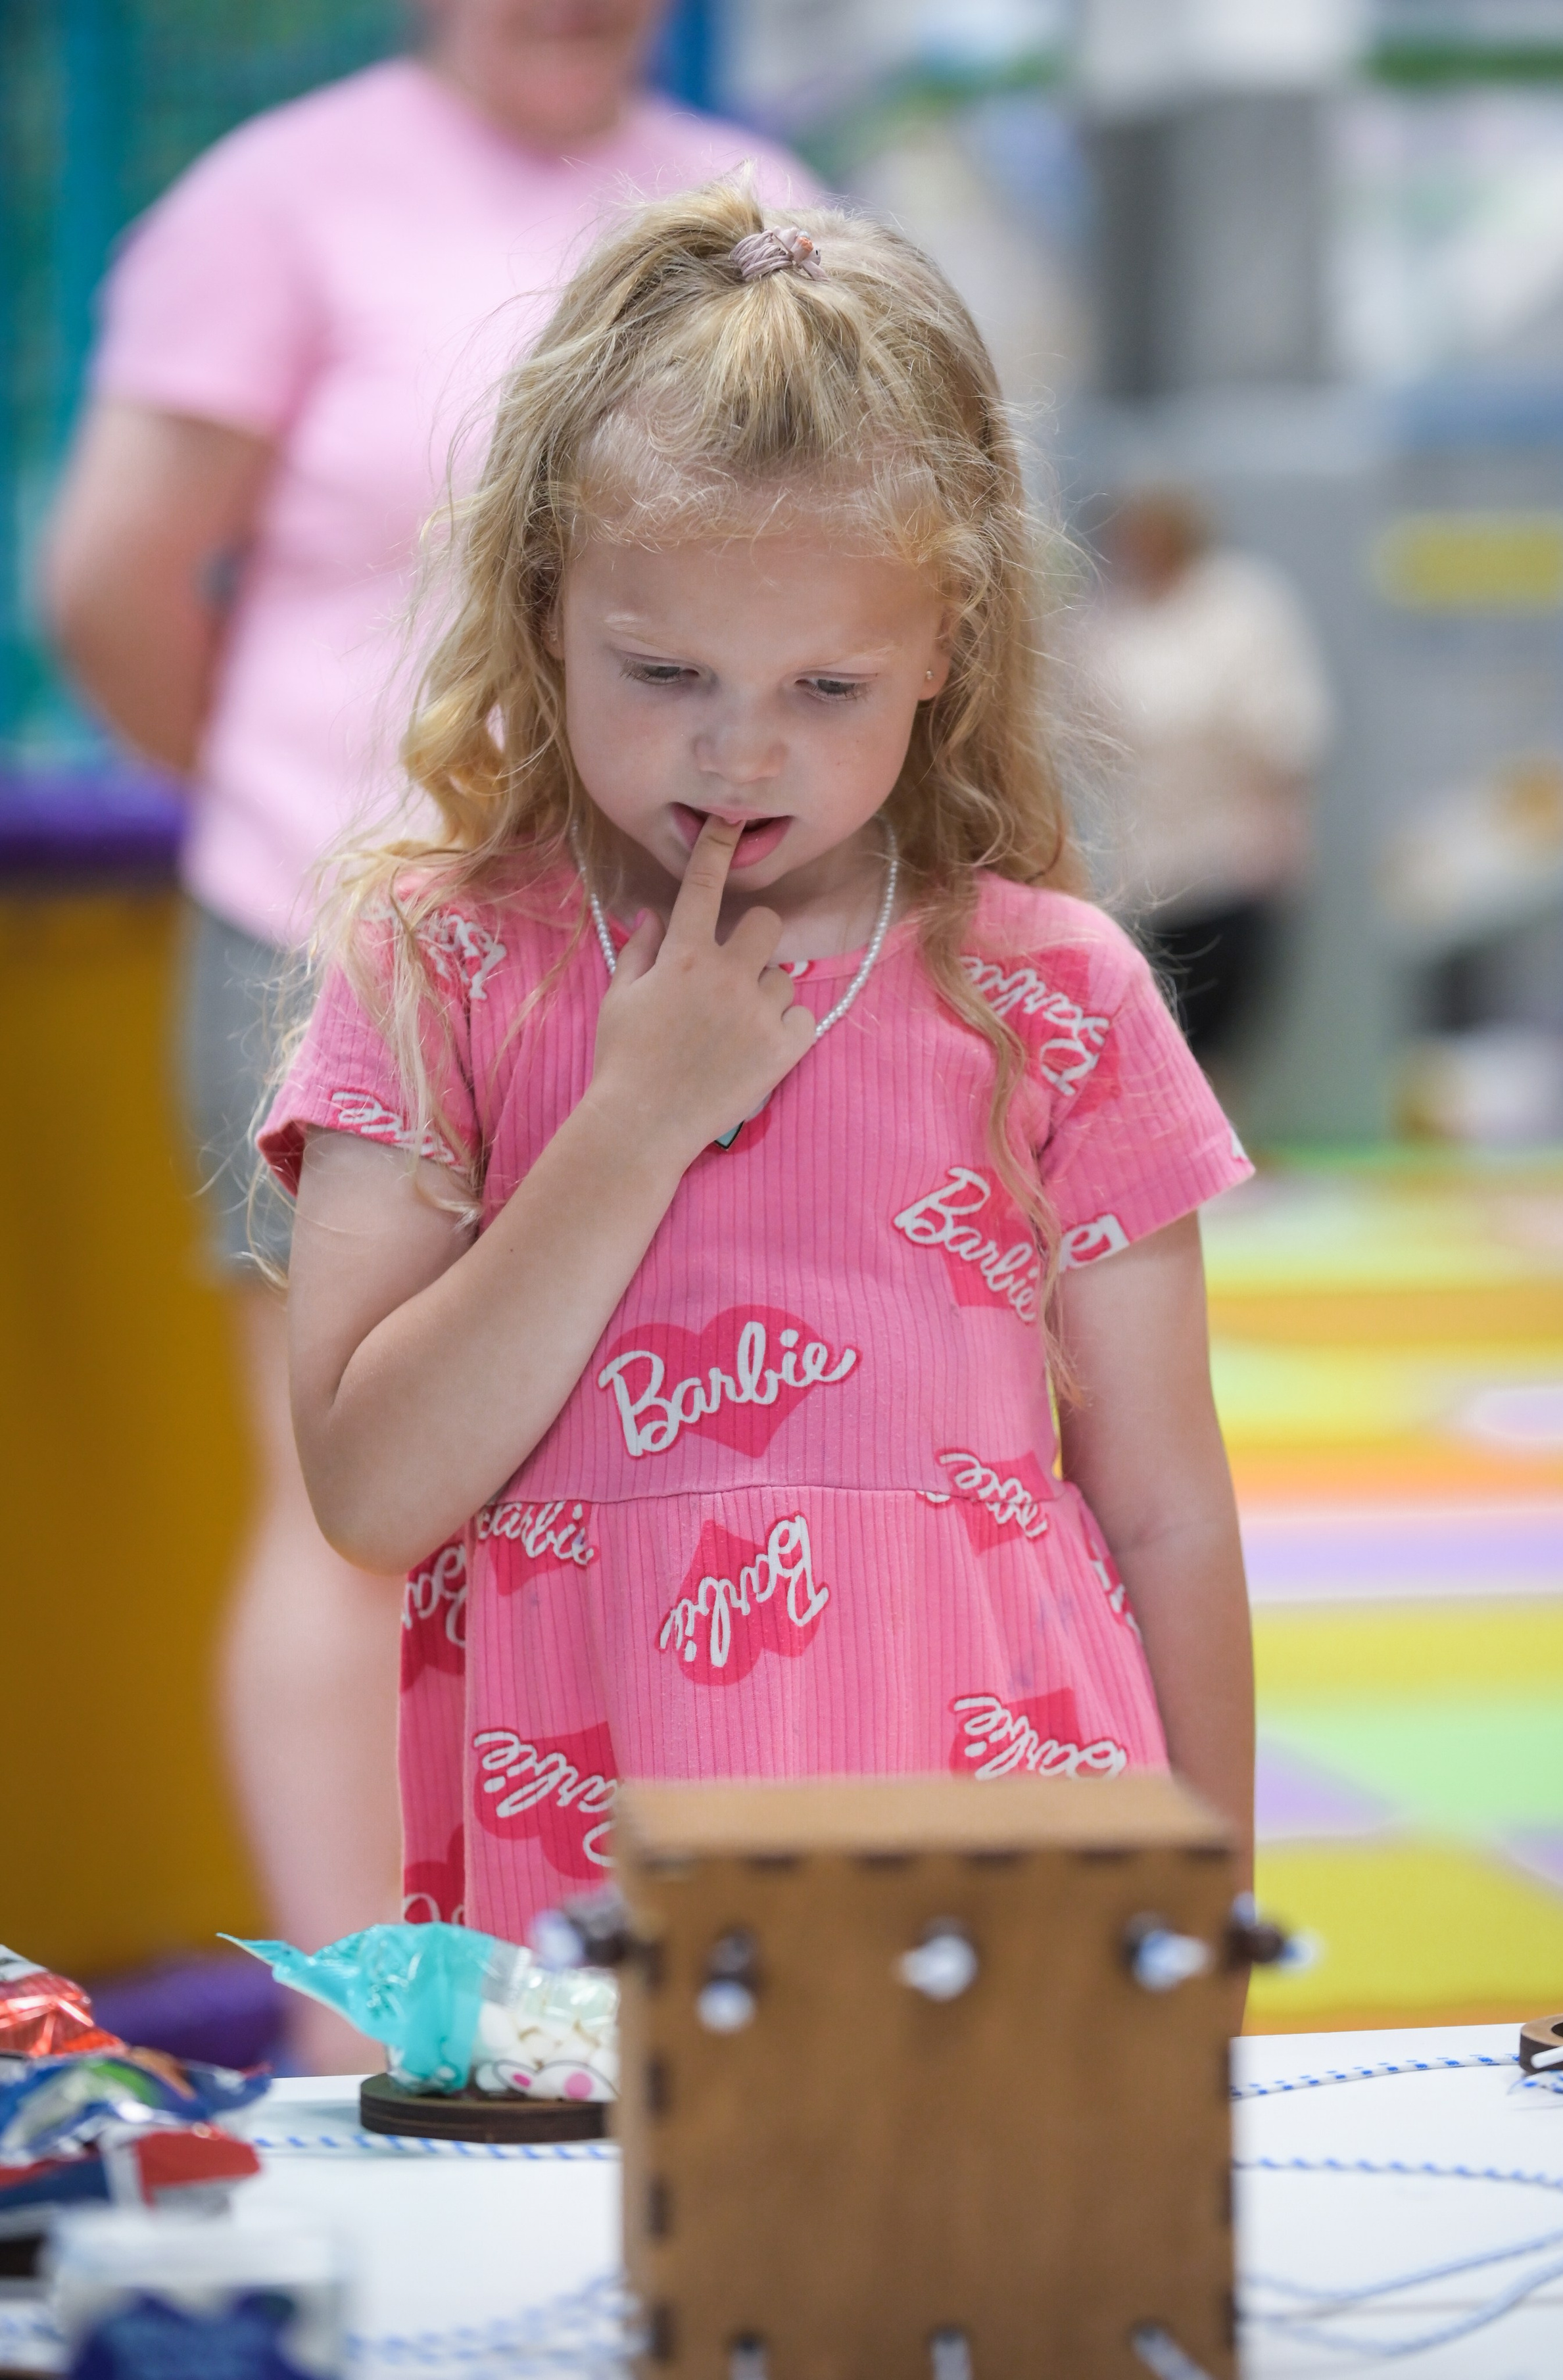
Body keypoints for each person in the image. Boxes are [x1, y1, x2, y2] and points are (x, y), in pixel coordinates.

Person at [255, 181, 1257, 1951]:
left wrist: (1205, 1918)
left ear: (942, 647)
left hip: (1012, 1885)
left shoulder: (1056, 990)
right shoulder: (437, 965)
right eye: (666, 671)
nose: (739, 748)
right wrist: (634, 1119)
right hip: (596, 1895)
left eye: (825, 686)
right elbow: (369, 1492)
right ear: (551, 607)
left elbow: (1169, 1513)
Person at [43, 1, 815, 2070]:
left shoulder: (758, 216)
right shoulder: (279, 196)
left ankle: (653, 1994)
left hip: (672, 959)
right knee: (350, 1495)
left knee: (685, 1462)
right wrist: (314, 827)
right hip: (336, 926)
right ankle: (376, 2033)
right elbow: (109, 570)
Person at [1078, 487, 1333, 1069]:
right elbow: (1088, 738)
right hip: (1139, 865)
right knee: (1151, 1033)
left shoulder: (1241, 605)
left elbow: (1286, 729)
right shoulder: (1104, 618)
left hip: (1230, 856)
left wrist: (1282, 832)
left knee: (1220, 1033)